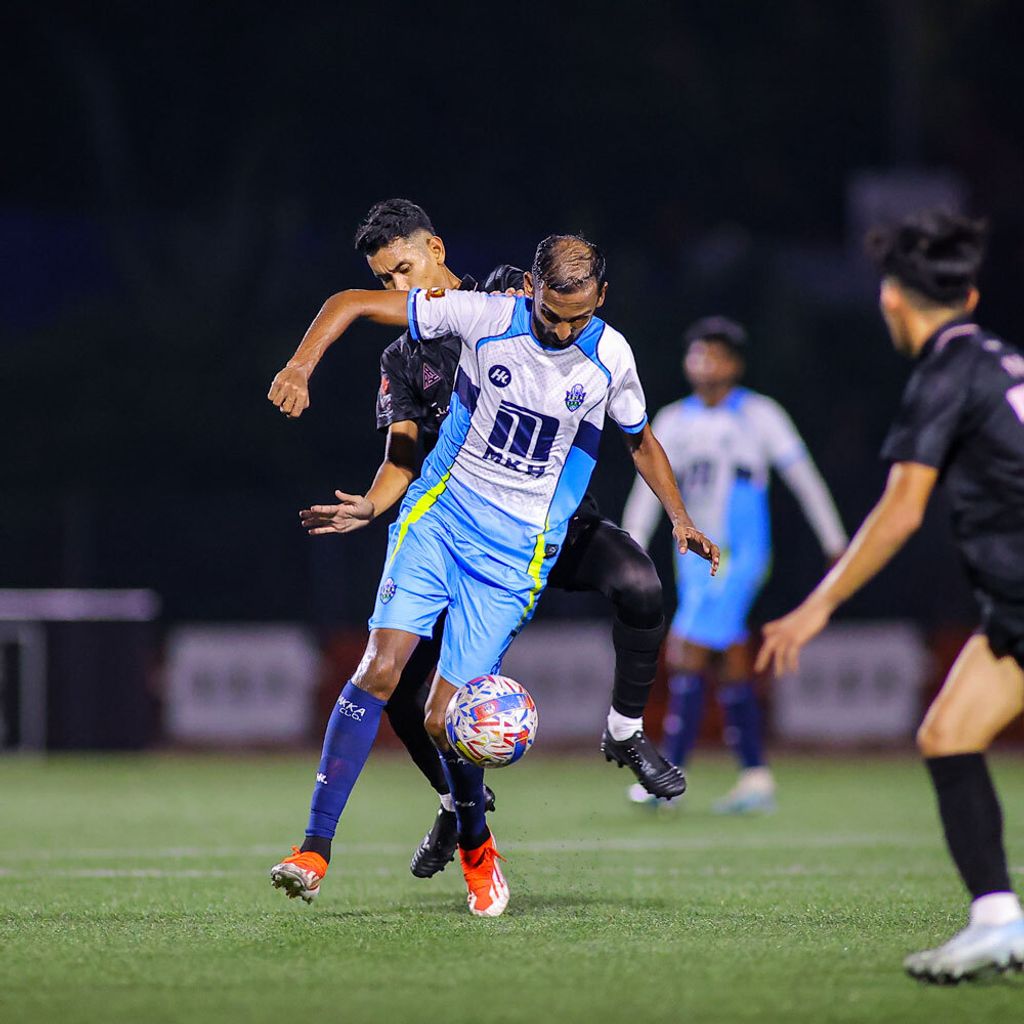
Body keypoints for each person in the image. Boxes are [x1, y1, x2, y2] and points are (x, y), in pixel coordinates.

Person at [266, 232, 720, 917]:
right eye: (552, 313)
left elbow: (640, 439)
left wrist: (681, 517)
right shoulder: (483, 315)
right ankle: (313, 849)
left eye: (580, 315)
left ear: (602, 297)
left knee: (447, 719)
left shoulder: (611, 356)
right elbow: (350, 302)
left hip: (515, 556)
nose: (564, 329)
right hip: (439, 521)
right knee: (379, 670)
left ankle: (478, 846)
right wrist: (301, 366)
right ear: (529, 289)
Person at [757, 209, 1024, 982]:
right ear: (968, 299)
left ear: (891, 300)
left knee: (948, 736)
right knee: (947, 735)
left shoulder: (946, 372)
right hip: (1012, 608)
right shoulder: (998, 360)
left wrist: (815, 607)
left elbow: (901, 511)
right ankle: (998, 919)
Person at [622, 316, 846, 812]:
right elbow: (649, 485)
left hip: (741, 554)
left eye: (717, 354)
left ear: (736, 364)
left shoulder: (761, 415)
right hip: (694, 557)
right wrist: (631, 545)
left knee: (686, 647)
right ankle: (755, 776)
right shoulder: (675, 420)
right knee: (727, 658)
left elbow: (803, 478)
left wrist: (835, 540)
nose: (705, 363)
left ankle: (667, 778)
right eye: (698, 353)